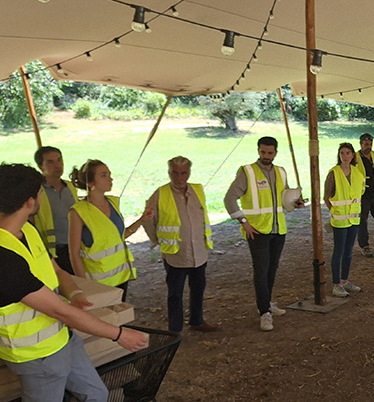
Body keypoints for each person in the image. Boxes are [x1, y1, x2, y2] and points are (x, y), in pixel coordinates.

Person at [0, 163, 149, 402]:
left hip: (62, 339)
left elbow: (53, 271)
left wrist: (75, 289)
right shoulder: (3, 257)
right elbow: (53, 308)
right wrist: (118, 334)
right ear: (31, 201)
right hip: (35, 355)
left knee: (95, 394)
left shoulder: (26, 231)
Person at [224, 136, 303, 332]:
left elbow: (285, 199)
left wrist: (295, 203)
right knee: (260, 270)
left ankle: (267, 302)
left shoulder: (281, 172)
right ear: (258, 150)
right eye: (263, 152)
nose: (266, 156)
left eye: (270, 153)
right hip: (257, 230)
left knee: (271, 269)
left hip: (278, 228)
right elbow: (229, 199)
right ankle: (264, 312)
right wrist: (243, 222)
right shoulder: (247, 172)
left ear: (275, 152)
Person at [142, 156, 218, 333]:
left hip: (199, 251)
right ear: (169, 172)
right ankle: (174, 330)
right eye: (174, 173)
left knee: (198, 288)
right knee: (175, 294)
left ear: (189, 172)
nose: (179, 178)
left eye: (183, 173)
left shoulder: (198, 190)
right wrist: (158, 241)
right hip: (176, 254)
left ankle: (197, 320)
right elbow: (147, 220)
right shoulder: (160, 193)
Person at [68, 160, 150, 298]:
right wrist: (83, 285)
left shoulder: (113, 202)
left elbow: (118, 237)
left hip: (121, 276)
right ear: (90, 183)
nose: (110, 179)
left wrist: (142, 220)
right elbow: (74, 252)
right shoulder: (78, 212)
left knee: (120, 316)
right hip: (98, 281)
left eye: (109, 174)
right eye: (103, 175)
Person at [324, 142, 365, 298]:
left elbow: (360, 194)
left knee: (349, 252)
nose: (345, 156)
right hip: (340, 220)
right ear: (339, 155)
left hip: (353, 219)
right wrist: (334, 211)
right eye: (342, 153)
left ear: (353, 155)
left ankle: (345, 280)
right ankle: (336, 284)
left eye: (348, 153)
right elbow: (327, 197)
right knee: (339, 252)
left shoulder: (357, 173)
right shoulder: (333, 173)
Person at [32, 146, 79, 274]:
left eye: (59, 160)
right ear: (41, 167)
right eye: (50, 162)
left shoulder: (70, 186)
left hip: (77, 246)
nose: (57, 165)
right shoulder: (37, 192)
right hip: (54, 250)